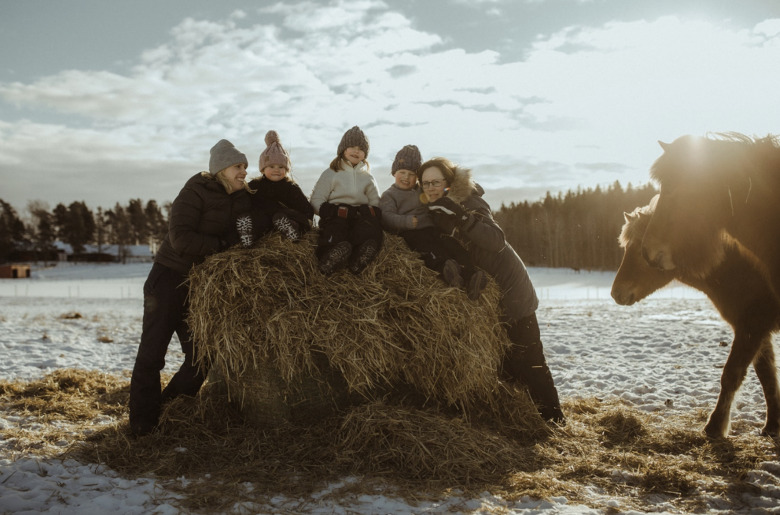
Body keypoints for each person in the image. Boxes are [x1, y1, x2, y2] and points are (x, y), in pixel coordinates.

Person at [418, 157, 565, 424]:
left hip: (513, 290)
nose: (430, 187)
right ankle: (525, 420)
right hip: (490, 300)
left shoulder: (471, 203)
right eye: (425, 183)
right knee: (506, 366)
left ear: (448, 183)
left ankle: (554, 422)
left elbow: (496, 241)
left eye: (436, 182)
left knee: (530, 361)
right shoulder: (436, 211)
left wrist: (462, 218)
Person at [129, 139, 261, 436]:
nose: (244, 172)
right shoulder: (194, 192)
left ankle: (168, 411)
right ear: (221, 169)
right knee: (152, 355)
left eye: (245, 167)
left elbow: (247, 228)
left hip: (198, 288)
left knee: (202, 357)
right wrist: (222, 246)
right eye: (238, 167)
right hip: (168, 280)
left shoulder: (240, 197)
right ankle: (141, 427)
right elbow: (181, 239)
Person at [379, 144, 487, 299]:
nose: (406, 177)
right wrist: (407, 222)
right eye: (402, 172)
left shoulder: (422, 189)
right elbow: (387, 216)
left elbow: (443, 192)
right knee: (430, 250)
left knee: (453, 246)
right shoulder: (390, 195)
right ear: (394, 172)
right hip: (412, 233)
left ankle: (472, 275)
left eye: (411, 174)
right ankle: (447, 271)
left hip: (432, 229)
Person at [310, 126, 383, 275]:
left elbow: (376, 203)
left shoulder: (368, 178)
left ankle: (359, 257)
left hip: (358, 216)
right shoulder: (331, 173)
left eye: (361, 149)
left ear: (365, 154)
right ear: (343, 149)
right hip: (337, 215)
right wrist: (331, 211)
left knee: (368, 230)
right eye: (352, 147)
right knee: (336, 229)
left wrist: (368, 212)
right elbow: (316, 199)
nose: (356, 151)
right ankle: (329, 256)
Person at [247, 130, 314, 242]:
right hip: (265, 220)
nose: (276, 170)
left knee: (285, 216)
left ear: (286, 169)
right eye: (272, 166)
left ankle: (292, 230)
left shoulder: (290, 187)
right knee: (259, 219)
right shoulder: (255, 185)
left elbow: (305, 208)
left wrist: (305, 220)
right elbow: (244, 198)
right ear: (263, 169)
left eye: (281, 167)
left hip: (285, 216)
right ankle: (249, 235)